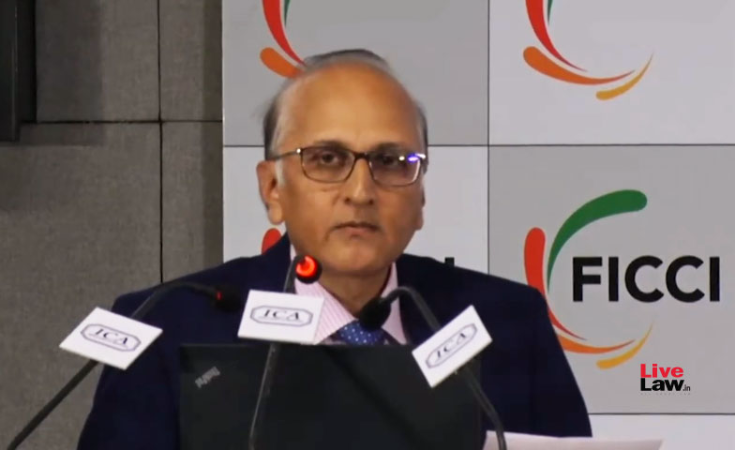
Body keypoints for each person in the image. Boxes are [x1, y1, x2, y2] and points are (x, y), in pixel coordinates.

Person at [77, 49, 591, 449]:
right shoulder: (165, 329)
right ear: (272, 190)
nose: (361, 191)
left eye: (391, 162)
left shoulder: (507, 324)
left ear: (421, 197)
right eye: (326, 158)